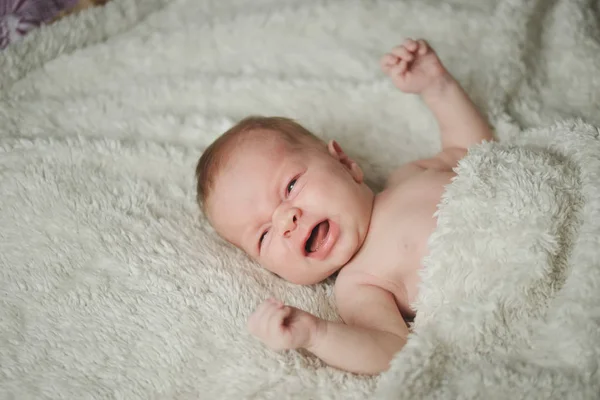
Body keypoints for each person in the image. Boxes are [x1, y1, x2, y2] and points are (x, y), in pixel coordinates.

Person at [195, 38, 494, 374]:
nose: (286, 221)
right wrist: (316, 334)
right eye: (264, 236)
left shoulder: (408, 176)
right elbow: (390, 350)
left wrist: (438, 88)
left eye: (291, 186)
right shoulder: (358, 284)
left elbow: (474, 151)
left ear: (344, 162)